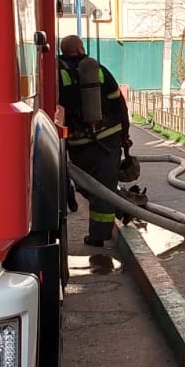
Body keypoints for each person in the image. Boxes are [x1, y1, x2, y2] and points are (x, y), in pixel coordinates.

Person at [56, 34, 130, 247]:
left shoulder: (58, 74)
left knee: (86, 185)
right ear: (81, 49)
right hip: (109, 139)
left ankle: (105, 225)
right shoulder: (99, 70)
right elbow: (119, 104)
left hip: (79, 144)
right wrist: (125, 136)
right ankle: (108, 223)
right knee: (104, 187)